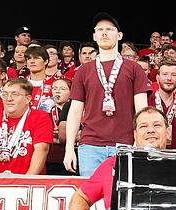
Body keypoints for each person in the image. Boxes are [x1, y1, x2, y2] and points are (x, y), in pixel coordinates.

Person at [63, 13, 151, 176]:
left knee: (123, 199)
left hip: (125, 145)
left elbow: (142, 110)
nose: (104, 33)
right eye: (100, 29)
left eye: (109, 29)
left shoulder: (134, 68)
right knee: (91, 200)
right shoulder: (84, 70)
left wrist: (139, 144)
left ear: (119, 35)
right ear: (94, 36)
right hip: (90, 145)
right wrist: (69, 149)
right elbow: (75, 111)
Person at [0, 77, 52, 175]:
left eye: (15, 94)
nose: (9, 99)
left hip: (26, 181)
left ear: (28, 99)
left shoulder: (40, 117)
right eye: (5, 94)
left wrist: (28, 181)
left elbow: (41, 149)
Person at [148, 58, 176, 149]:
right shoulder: (146, 102)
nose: (169, 78)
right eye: (165, 74)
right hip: (150, 156)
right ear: (157, 78)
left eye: (174, 75)